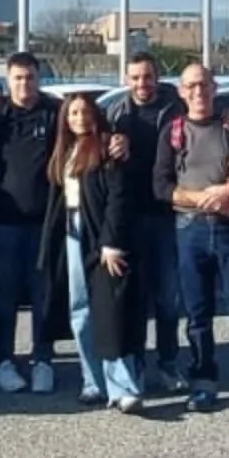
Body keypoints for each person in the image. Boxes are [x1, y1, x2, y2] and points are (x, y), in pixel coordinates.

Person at [153, 62, 229, 415]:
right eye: (191, 86)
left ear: (214, 87)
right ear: (181, 91)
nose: (198, 92)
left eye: (204, 85)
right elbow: (161, 187)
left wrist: (228, 190)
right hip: (188, 230)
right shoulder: (173, 132)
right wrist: (203, 198)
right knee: (196, 315)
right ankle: (203, 383)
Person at [40, 93, 143, 412]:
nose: (80, 118)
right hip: (72, 235)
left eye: (85, 111)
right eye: (73, 113)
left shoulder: (107, 146)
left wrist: (111, 243)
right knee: (80, 311)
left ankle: (123, 387)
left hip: (101, 237)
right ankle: (92, 381)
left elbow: (118, 198)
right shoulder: (64, 151)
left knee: (110, 312)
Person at [106, 52, 188, 393]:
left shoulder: (177, 109)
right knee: (134, 299)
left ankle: (168, 364)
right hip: (130, 218)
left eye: (148, 77)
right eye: (136, 77)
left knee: (168, 298)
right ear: (126, 79)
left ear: (158, 77)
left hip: (168, 216)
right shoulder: (116, 114)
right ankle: (136, 365)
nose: (143, 84)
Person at [0, 51, 61, 394]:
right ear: (7, 80)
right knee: (4, 296)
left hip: (43, 222)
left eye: (30, 77)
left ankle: (43, 359)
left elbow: (93, 124)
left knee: (42, 295)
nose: (24, 84)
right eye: (17, 78)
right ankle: (3, 359)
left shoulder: (54, 111)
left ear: (38, 77)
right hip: (4, 224)